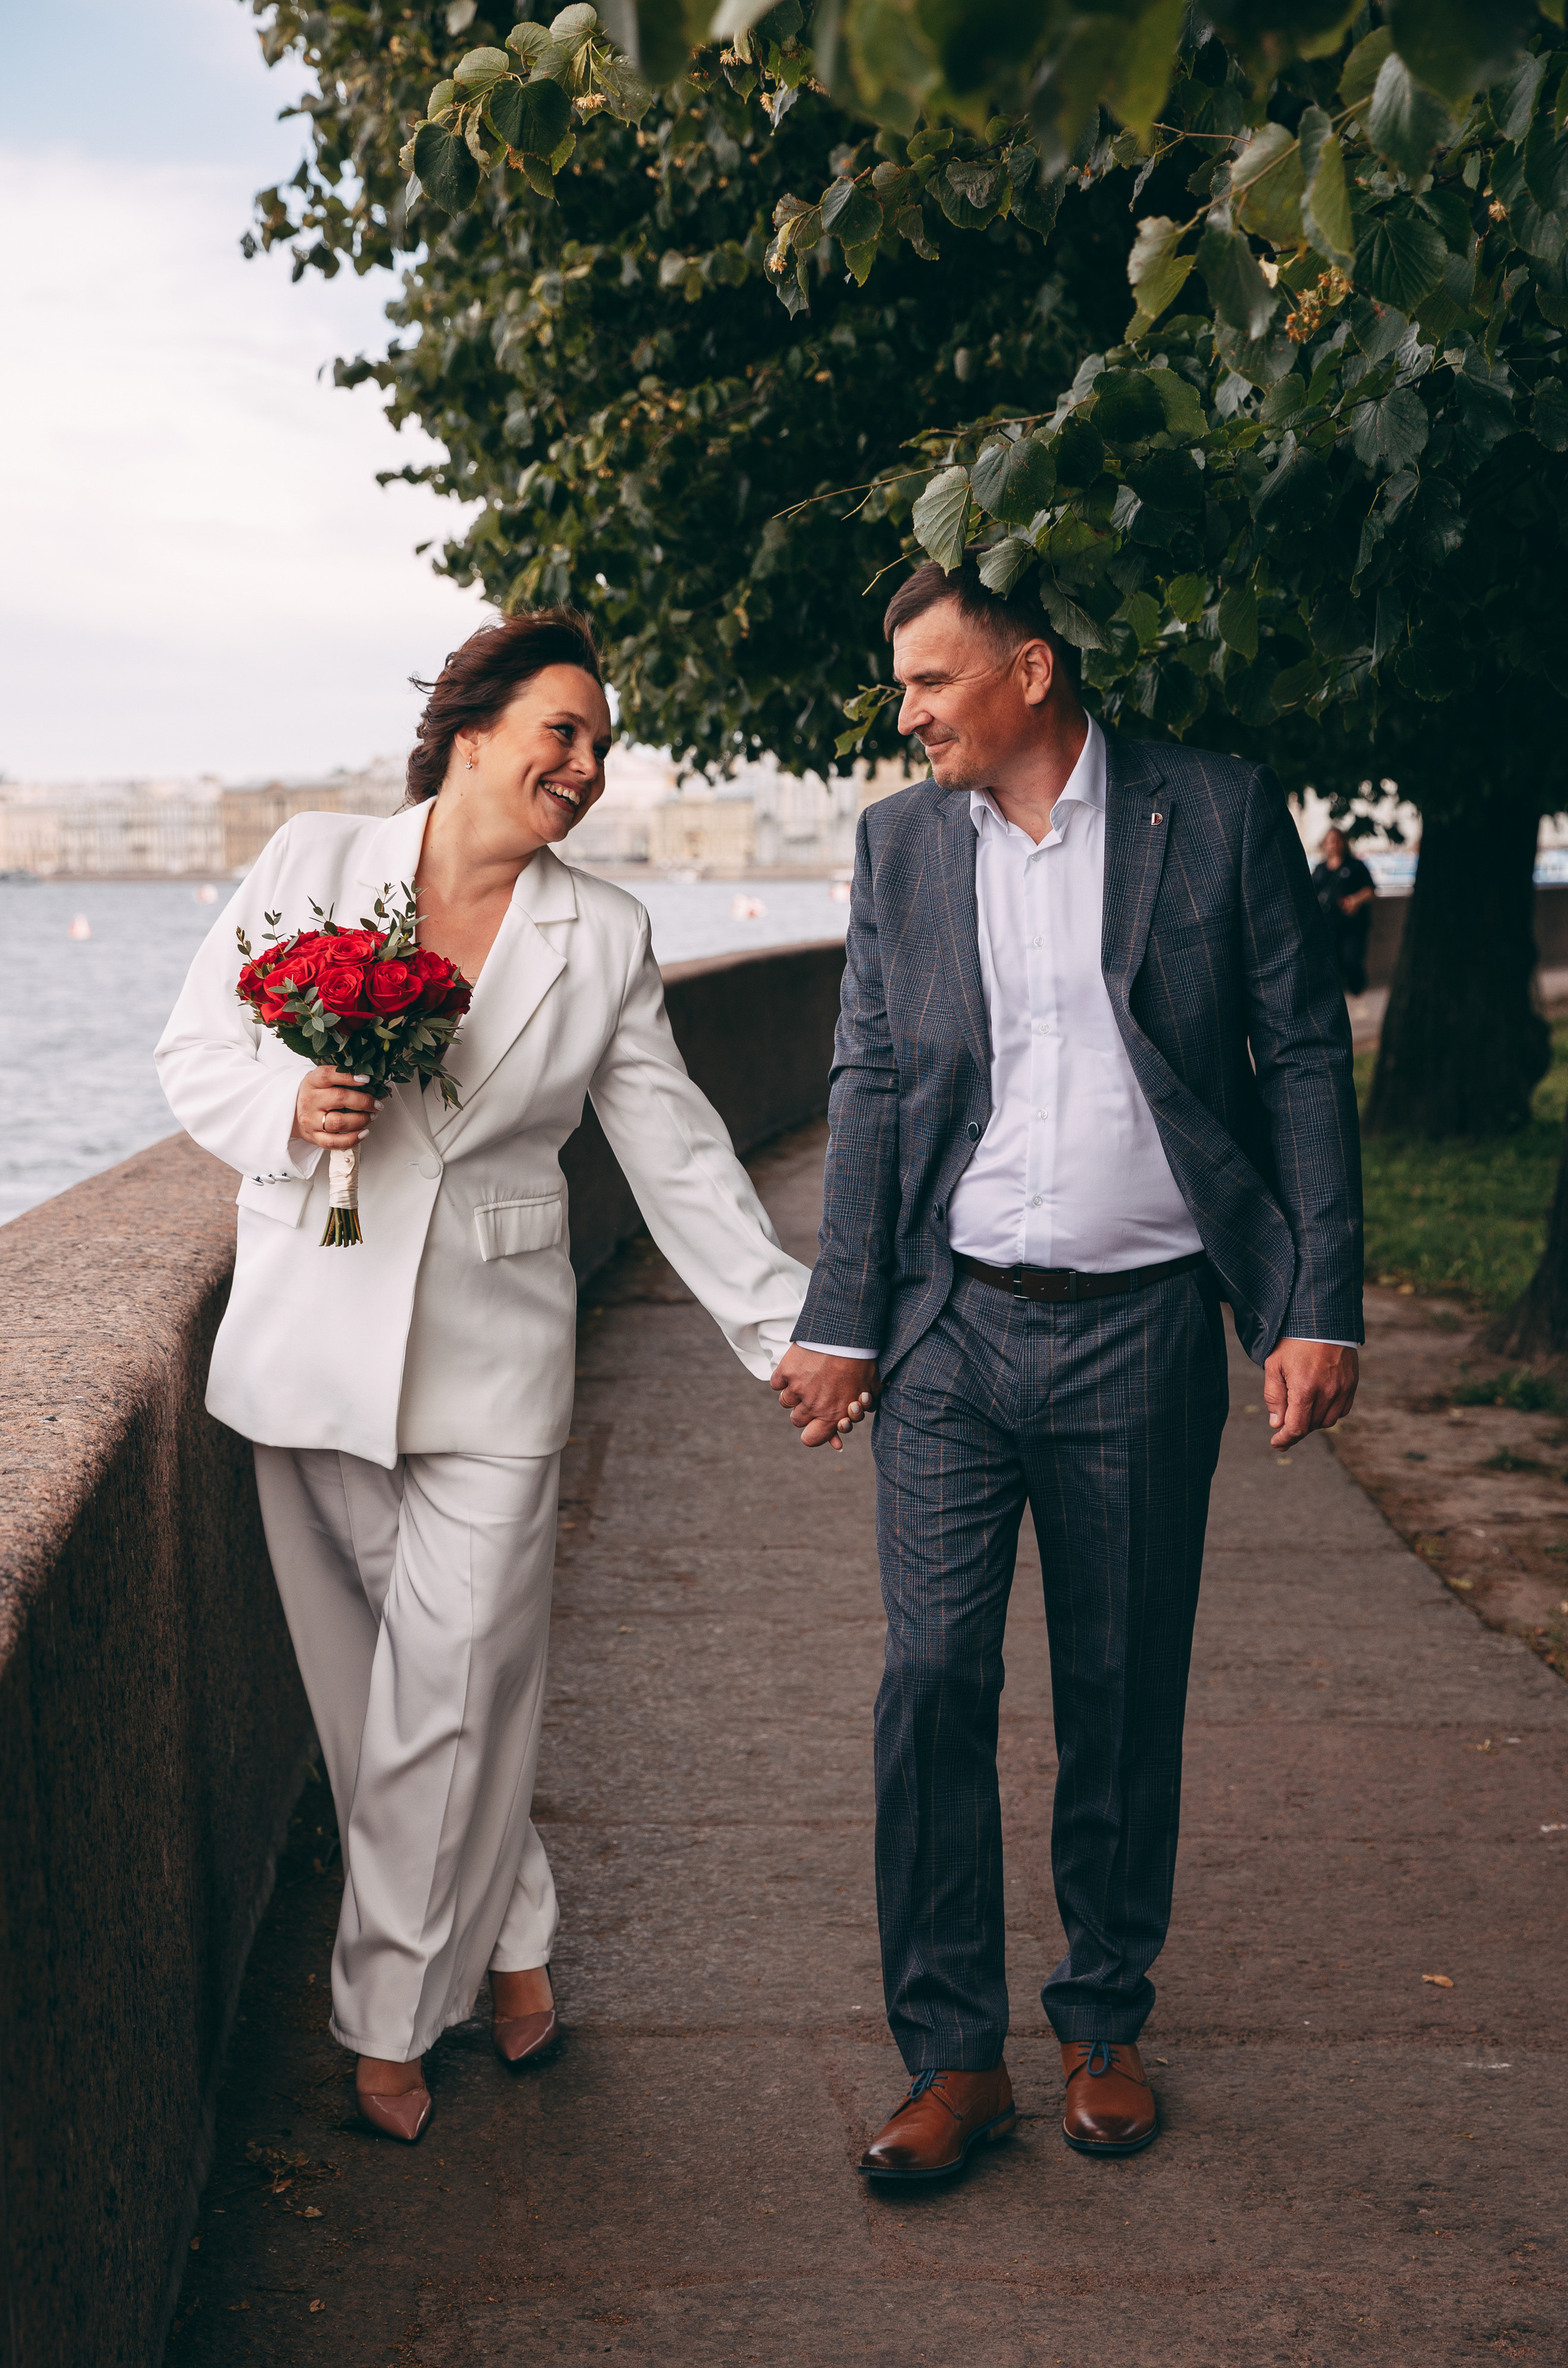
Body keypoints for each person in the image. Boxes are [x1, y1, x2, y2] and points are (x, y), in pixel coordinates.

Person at [157, 611, 811, 2143]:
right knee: (380, 1708)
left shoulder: (607, 938)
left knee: (445, 1701)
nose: (582, 767)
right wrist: (286, 1102)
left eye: (600, 746)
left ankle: (385, 2023)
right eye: (560, 732)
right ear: (471, 730)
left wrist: (788, 1335)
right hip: (307, 1352)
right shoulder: (315, 861)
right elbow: (196, 1048)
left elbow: (678, 1154)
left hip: (496, 1368)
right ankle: (515, 1936)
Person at [770, 556, 1363, 2183]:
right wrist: (840, 1318)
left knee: (1117, 1686)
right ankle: (950, 2054)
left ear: (1028, 670)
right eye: (901, 689)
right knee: (930, 1680)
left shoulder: (1215, 810)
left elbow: (1299, 1052)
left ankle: (1101, 2016)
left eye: (930, 684)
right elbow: (871, 1081)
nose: (906, 717)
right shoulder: (900, 845)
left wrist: (1317, 1300)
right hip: (953, 1323)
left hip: (1144, 1323)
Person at [1312, 824, 1376, 996]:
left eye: (1337, 840)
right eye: (1330, 841)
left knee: (1352, 962)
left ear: (1343, 842)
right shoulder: (1319, 869)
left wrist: (1355, 900)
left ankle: (1357, 989)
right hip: (1327, 929)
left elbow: (1370, 891)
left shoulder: (1356, 866)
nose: (1333, 844)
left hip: (1351, 928)